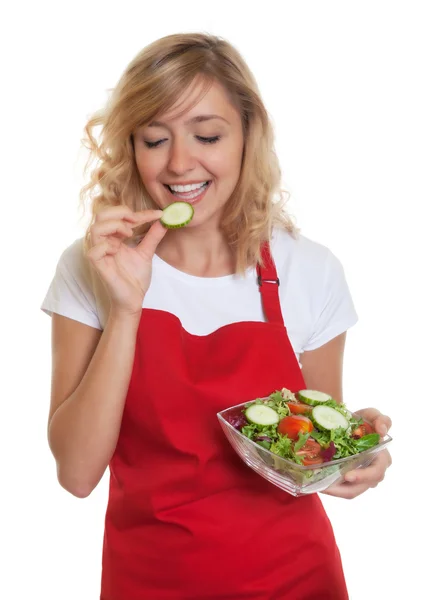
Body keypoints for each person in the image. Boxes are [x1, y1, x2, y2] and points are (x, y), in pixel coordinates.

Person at [41, 33, 392, 600]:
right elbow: (76, 475)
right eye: (155, 139)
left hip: (296, 579)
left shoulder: (310, 270)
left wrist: (355, 454)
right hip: (148, 581)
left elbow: (316, 453)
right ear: (131, 146)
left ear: (248, 136)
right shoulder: (92, 268)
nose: (180, 163)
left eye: (207, 135)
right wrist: (126, 309)